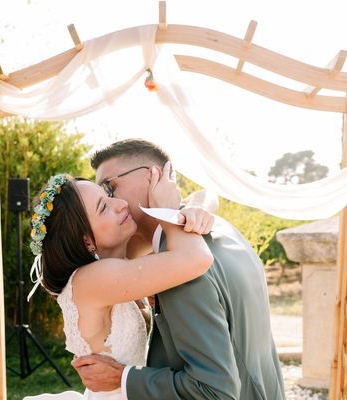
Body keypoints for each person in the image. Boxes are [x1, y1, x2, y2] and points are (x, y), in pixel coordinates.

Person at [71, 139, 285, 400]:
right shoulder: (222, 229)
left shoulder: (180, 267)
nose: (112, 201)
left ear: (154, 176)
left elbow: (214, 391)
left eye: (109, 187)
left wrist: (121, 377)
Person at [23, 164, 215, 400]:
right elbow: (196, 258)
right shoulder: (91, 280)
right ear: (87, 242)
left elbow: (207, 195)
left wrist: (199, 210)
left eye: (109, 196)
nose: (120, 204)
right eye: (104, 207)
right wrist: (169, 208)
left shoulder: (122, 259)